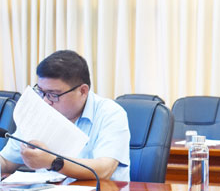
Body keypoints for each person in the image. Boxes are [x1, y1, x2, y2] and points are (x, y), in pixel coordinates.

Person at [0, 50, 131, 181]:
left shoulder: (110, 113)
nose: (46, 100)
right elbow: (6, 162)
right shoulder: (40, 112)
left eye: (53, 94)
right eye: (41, 91)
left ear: (83, 91)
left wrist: (53, 162)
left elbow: (104, 169)